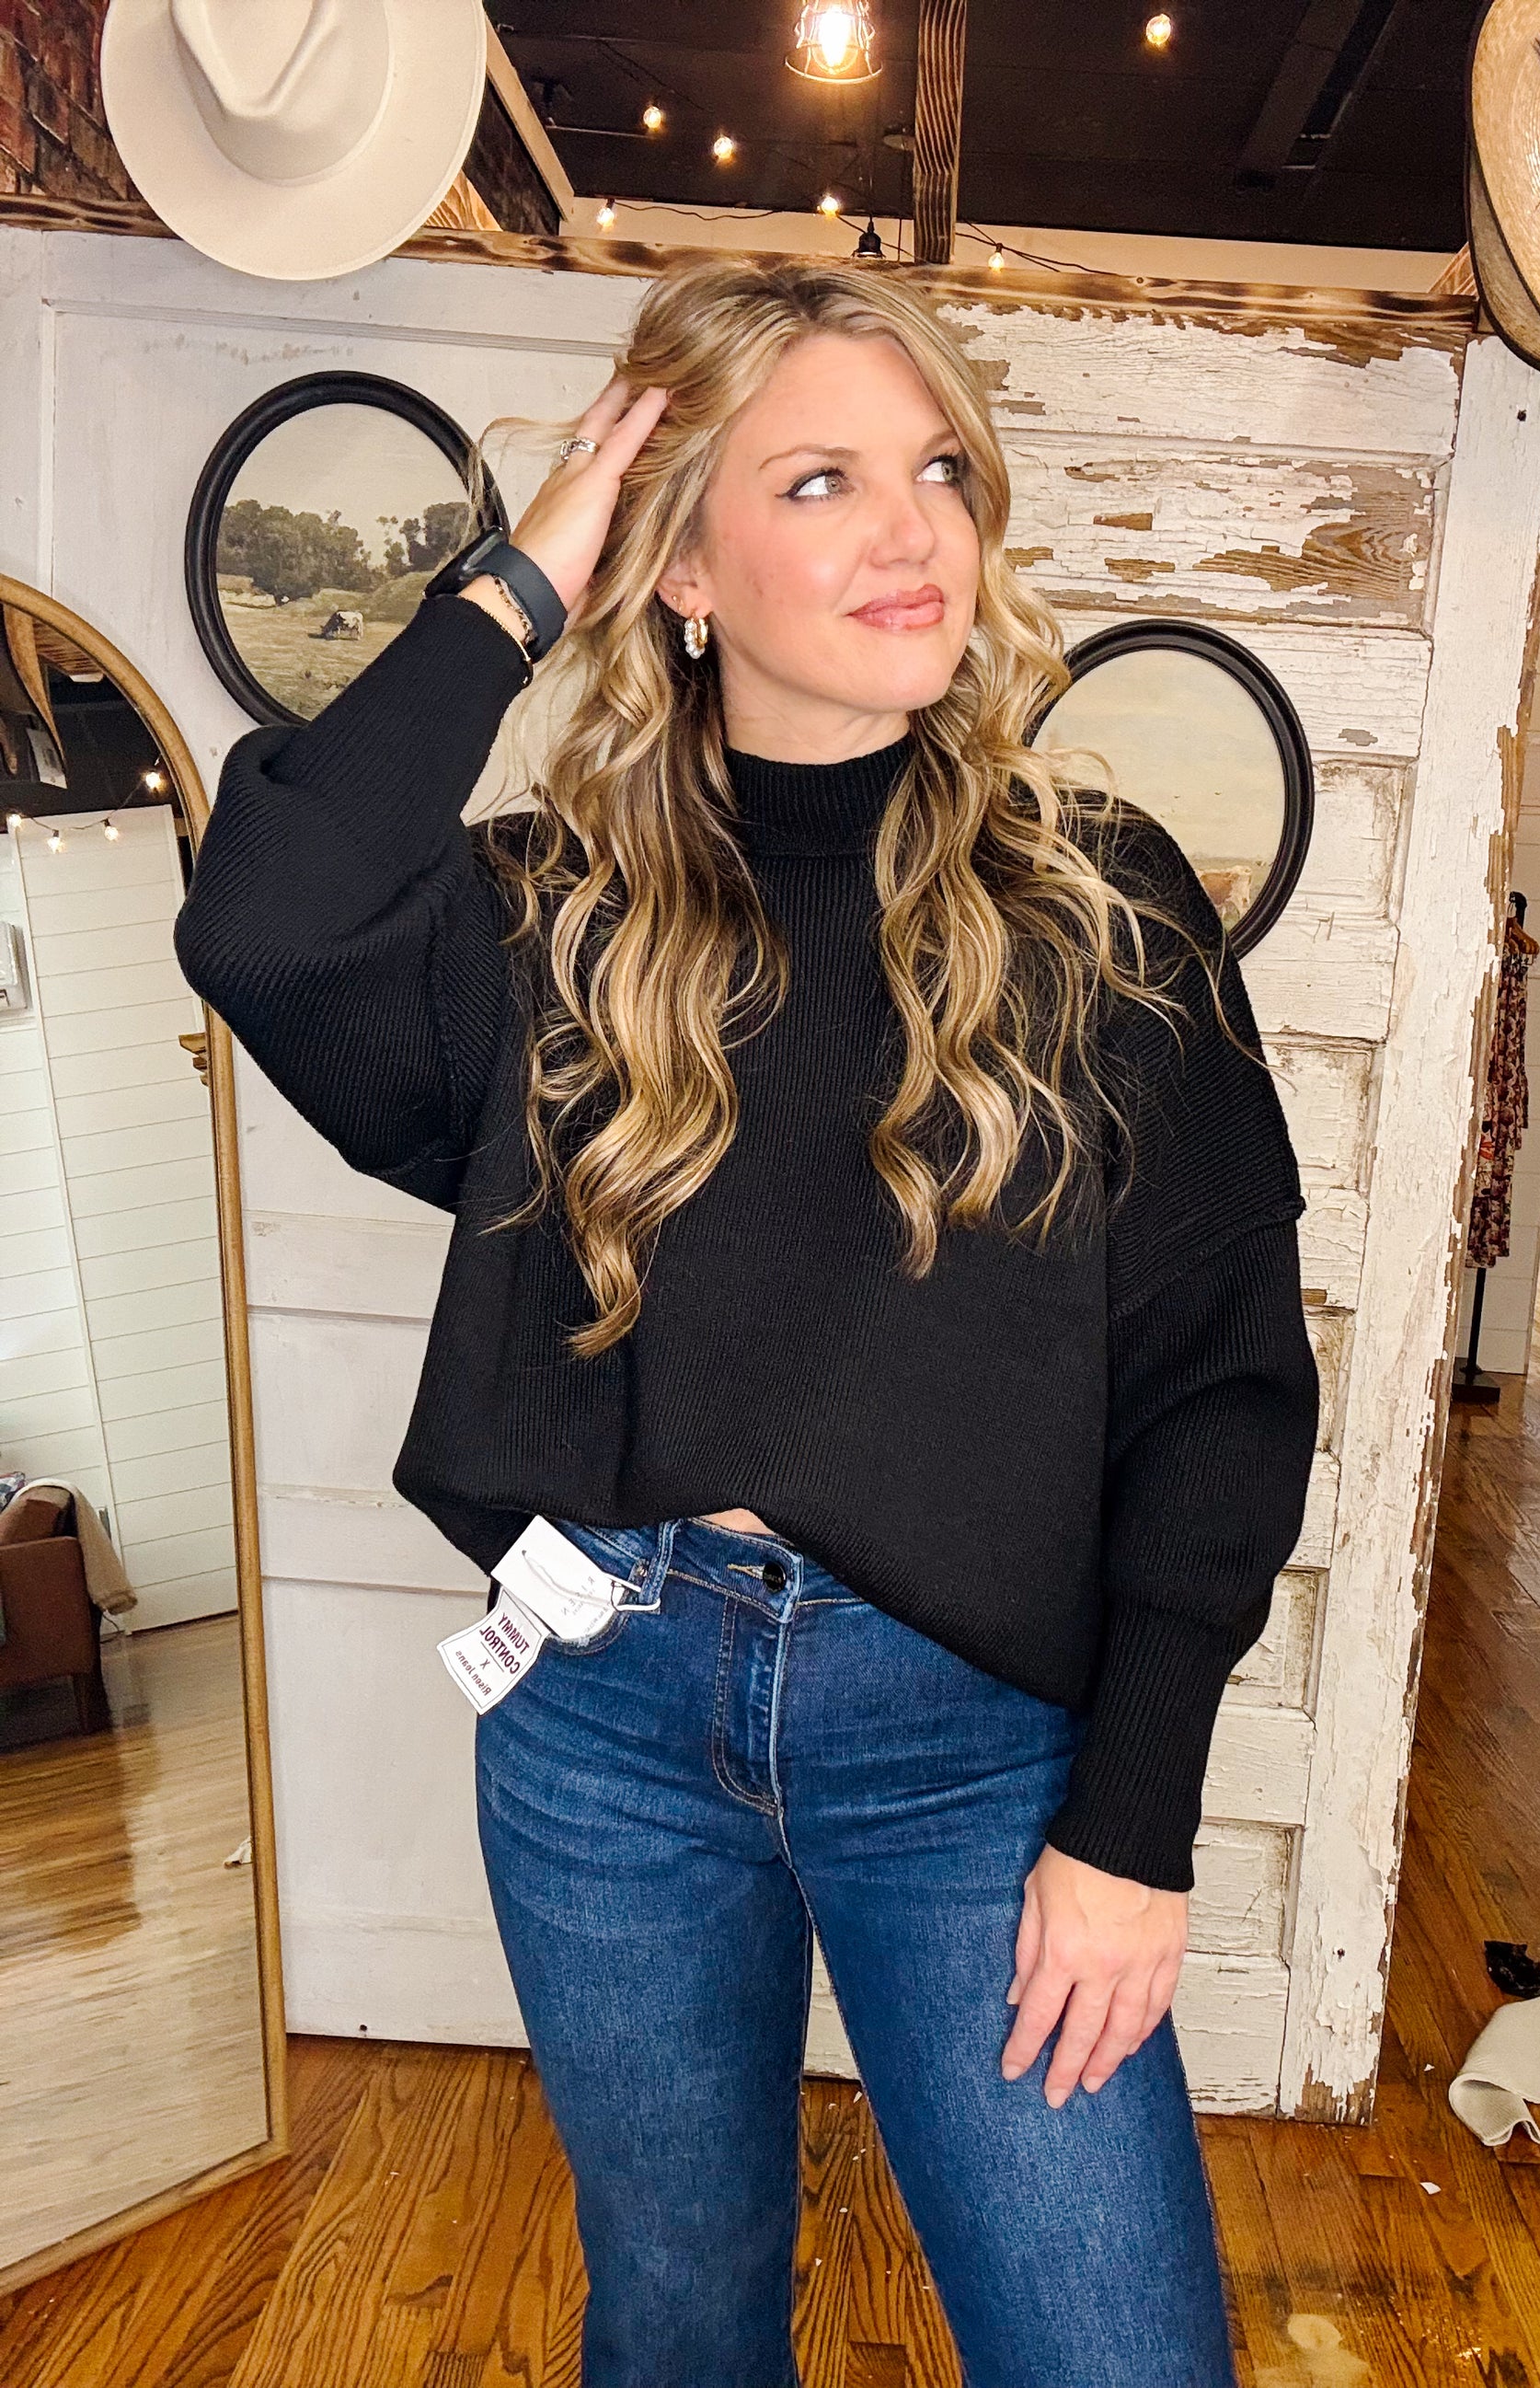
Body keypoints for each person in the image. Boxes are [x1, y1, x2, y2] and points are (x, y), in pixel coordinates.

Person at [176, 256, 1318, 2388]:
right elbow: (265, 913)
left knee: (1115, 2356)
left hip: (972, 1741)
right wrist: (519, 580)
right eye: (819, 480)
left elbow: (1224, 1392)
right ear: (683, 564)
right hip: (604, 1716)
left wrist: (1134, 1818)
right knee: (678, 2323)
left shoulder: (1098, 900)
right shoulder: (554, 916)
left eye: (939, 469)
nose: (912, 532)